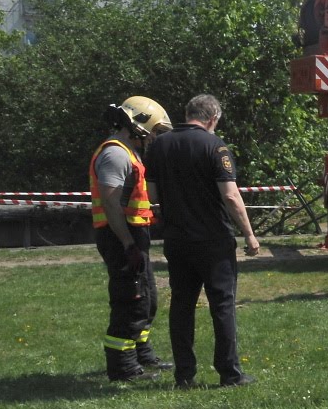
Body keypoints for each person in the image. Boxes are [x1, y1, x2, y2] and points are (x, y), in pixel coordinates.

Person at [144, 94, 262, 388]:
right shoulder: (215, 146)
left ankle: (184, 374)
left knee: (181, 306)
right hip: (213, 240)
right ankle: (229, 373)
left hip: (177, 239)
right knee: (222, 305)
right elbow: (231, 196)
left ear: (188, 114)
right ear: (213, 118)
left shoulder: (159, 145)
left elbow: (152, 195)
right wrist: (249, 234)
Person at [91, 95, 172, 383]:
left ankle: (141, 353)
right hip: (120, 238)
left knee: (147, 298)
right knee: (130, 300)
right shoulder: (115, 154)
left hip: (135, 237)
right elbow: (111, 204)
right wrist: (127, 244)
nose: (154, 138)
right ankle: (123, 367)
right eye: (154, 131)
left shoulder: (129, 152)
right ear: (140, 125)